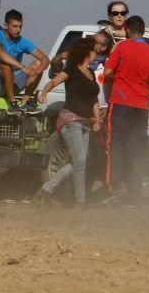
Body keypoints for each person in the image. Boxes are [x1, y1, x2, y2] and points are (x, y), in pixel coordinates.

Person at [36, 37, 102, 207]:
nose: (97, 53)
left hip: (86, 122)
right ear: (87, 53)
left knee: (78, 162)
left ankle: (47, 188)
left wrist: (97, 119)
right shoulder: (71, 70)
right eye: (94, 50)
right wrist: (43, 93)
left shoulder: (91, 73)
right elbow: (54, 81)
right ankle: (80, 201)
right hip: (70, 121)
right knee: (80, 162)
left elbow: (94, 99)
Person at [103, 15, 149, 205]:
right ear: (143, 31)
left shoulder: (122, 47)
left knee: (115, 146)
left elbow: (108, 72)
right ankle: (134, 194)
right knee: (136, 149)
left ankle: (113, 189)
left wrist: (120, 77)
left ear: (127, 29)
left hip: (121, 102)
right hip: (141, 105)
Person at [0, 9, 49, 109]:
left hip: (15, 83)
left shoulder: (22, 41)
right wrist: (23, 68)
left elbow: (45, 59)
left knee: (38, 64)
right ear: (6, 25)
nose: (18, 30)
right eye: (14, 26)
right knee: (4, 65)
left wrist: (37, 72)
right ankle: (12, 102)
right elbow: (0, 55)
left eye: (20, 26)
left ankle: (24, 103)